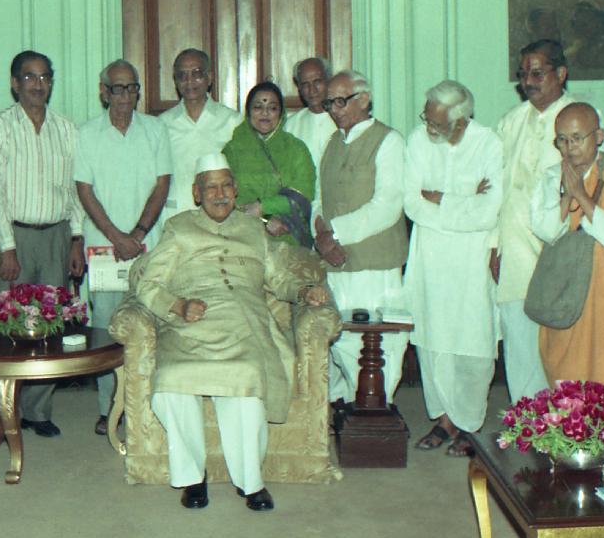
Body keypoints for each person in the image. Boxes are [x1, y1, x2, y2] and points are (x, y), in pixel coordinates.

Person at [133, 153, 329, 511]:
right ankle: (192, 477)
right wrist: (177, 305)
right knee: (170, 381)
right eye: (211, 187)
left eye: (226, 186)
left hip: (245, 321)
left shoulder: (254, 229)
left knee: (247, 376)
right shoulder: (178, 228)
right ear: (196, 193)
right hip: (191, 324)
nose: (220, 194)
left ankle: (250, 482)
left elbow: (279, 278)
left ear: (236, 190)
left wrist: (304, 291)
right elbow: (148, 284)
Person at [491, 39, 604, 402]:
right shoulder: (511, 121)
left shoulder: (582, 118)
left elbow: (597, 184)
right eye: (523, 73)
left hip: (561, 247)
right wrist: (494, 245)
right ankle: (527, 420)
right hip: (515, 247)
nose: (528, 81)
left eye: (538, 73)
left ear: (561, 73)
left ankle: (564, 423)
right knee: (519, 339)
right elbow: (497, 189)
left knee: (562, 344)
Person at [0, 50, 86, 438]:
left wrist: (76, 238)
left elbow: (75, 190)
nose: (38, 84)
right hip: (17, 236)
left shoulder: (66, 129)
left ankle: (38, 410)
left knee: (50, 323)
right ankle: (6, 410)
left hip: (57, 234)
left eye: (44, 77)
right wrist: (6, 245)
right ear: (15, 83)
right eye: (29, 77)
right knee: (10, 324)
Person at [403, 81, 502, 458]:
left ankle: (469, 424)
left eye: (437, 123)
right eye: (427, 118)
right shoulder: (417, 140)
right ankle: (444, 420)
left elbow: (489, 212)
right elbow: (412, 203)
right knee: (433, 341)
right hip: (429, 256)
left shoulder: (488, 144)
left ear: (461, 121)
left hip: (473, 259)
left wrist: (441, 199)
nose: (428, 127)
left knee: (473, 341)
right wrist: (464, 202)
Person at [75, 59, 172, 436]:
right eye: (118, 88)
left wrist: (139, 232)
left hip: (148, 247)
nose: (126, 96)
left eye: (132, 88)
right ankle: (108, 409)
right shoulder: (87, 134)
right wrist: (117, 237)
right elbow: (85, 191)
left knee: (150, 326)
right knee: (107, 330)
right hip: (105, 251)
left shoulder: (155, 129)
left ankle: (147, 406)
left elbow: (162, 184)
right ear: (104, 92)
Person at [313, 70, 410, 409]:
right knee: (341, 340)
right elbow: (319, 199)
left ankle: (376, 412)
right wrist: (320, 233)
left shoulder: (389, 141)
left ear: (364, 99)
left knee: (380, 345)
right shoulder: (332, 143)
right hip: (336, 264)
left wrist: (334, 234)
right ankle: (351, 409)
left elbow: (387, 205)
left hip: (374, 265)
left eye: (340, 101)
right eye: (329, 103)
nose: (334, 110)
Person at [529, 102, 604, 395]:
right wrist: (567, 195)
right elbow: (545, 230)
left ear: (599, 136)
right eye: (562, 140)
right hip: (565, 289)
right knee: (564, 381)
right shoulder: (551, 176)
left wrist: (581, 194)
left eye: (577, 138)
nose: (569, 148)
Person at [222, 81, 315, 246]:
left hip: (287, 238)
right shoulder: (232, 150)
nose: (265, 113)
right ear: (248, 112)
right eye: (258, 107)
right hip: (243, 238)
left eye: (272, 108)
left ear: (281, 113)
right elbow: (224, 195)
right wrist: (266, 218)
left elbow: (304, 195)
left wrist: (263, 207)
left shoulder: (296, 149)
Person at [158, 48, 240, 224]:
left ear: (209, 77)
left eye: (196, 73)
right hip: (175, 216)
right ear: (175, 81)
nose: (189, 81)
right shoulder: (162, 124)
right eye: (182, 75)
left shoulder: (232, 121)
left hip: (221, 217)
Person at [283, 57, 337, 179]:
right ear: (299, 88)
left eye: (317, 82)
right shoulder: (290, 126)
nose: (312, 90)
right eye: (305, 84)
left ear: (329, 81)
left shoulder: (343, 120)